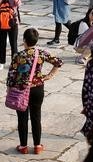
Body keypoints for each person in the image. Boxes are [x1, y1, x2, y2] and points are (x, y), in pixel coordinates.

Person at [7, 27, 63, 155]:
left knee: (22, 118)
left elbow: (11, 76)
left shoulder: (18, 55)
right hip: (38, 88)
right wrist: (49, 76)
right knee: (36, 117)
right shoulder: (42, 53)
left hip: (21, 90)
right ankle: (37, 145)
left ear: (24, 40)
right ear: (36, 40)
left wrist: (9, 90)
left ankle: (23, 146)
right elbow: (58, 62)